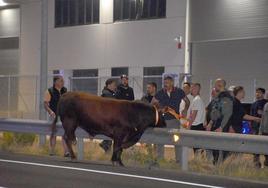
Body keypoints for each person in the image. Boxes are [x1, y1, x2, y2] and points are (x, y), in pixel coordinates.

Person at [151, 75, 190, 162]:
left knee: (176, 140)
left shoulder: (179, 91)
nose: (165, 85)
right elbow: (152, 103)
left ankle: (179, 160)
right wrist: (159, 109)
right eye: (164, 83)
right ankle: (160, 159)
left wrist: (185, 109)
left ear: (172, 83)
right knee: (160, 141)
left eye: (167, 83)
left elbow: (187, 101)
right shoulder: (160, 92)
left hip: (174, 121)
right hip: (162, 121)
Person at [205, 78, 233, 164]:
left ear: (220, 85)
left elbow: (227, 114)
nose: (214, 86)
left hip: (221, 126)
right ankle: (216, 164)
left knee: (220, 147)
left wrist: (221, 127)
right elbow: (216, 112)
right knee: (215, 147)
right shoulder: (219, 96)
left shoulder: (226, 97)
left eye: (216, 84)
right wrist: (210, 123)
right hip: (216, 124)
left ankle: (219, 166)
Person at [44, 75, 69, 157]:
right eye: (61, 81)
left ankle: (66, 152)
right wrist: (50, 112)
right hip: (53, 115)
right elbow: (46, 105)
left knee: (65, 133)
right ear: (55, 82)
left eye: (63, 81)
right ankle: (52, 151)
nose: (63, 82)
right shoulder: (49, 91)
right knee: (53, 133)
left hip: (64, 115)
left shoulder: (65, 90)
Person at [250, 88, 268, 167]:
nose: (257, 94)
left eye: (259, 92)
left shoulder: (266, 103)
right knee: (255, 146)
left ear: (263, 94)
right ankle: (256, 163)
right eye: (256, 92)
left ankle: (267, 162)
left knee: (265, 145)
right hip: (255, 128)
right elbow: (251, 115)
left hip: (264, 128)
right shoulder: (254, 104)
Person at [99, 78, 117, 153]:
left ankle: (106, 146)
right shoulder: (107, 94)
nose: (115, 86)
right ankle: (106, 145)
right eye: (114, 85)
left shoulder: (108, 93)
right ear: (108, 85)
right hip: (107, 118)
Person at [188, 83, 206, 153]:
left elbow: (193, 114)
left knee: (197, 147)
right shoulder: (197, 99)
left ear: (197, 89)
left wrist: (189, 126)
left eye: (193, 88)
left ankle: (197, 160)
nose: (191, 89)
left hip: (196, 126)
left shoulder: (197, 100)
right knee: (197, 147)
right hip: (198, 125)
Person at [259, 102, 268, 167]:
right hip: (265, 130)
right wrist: (260, 130)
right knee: (265, 150)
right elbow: (263, 118)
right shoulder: (266, 105)